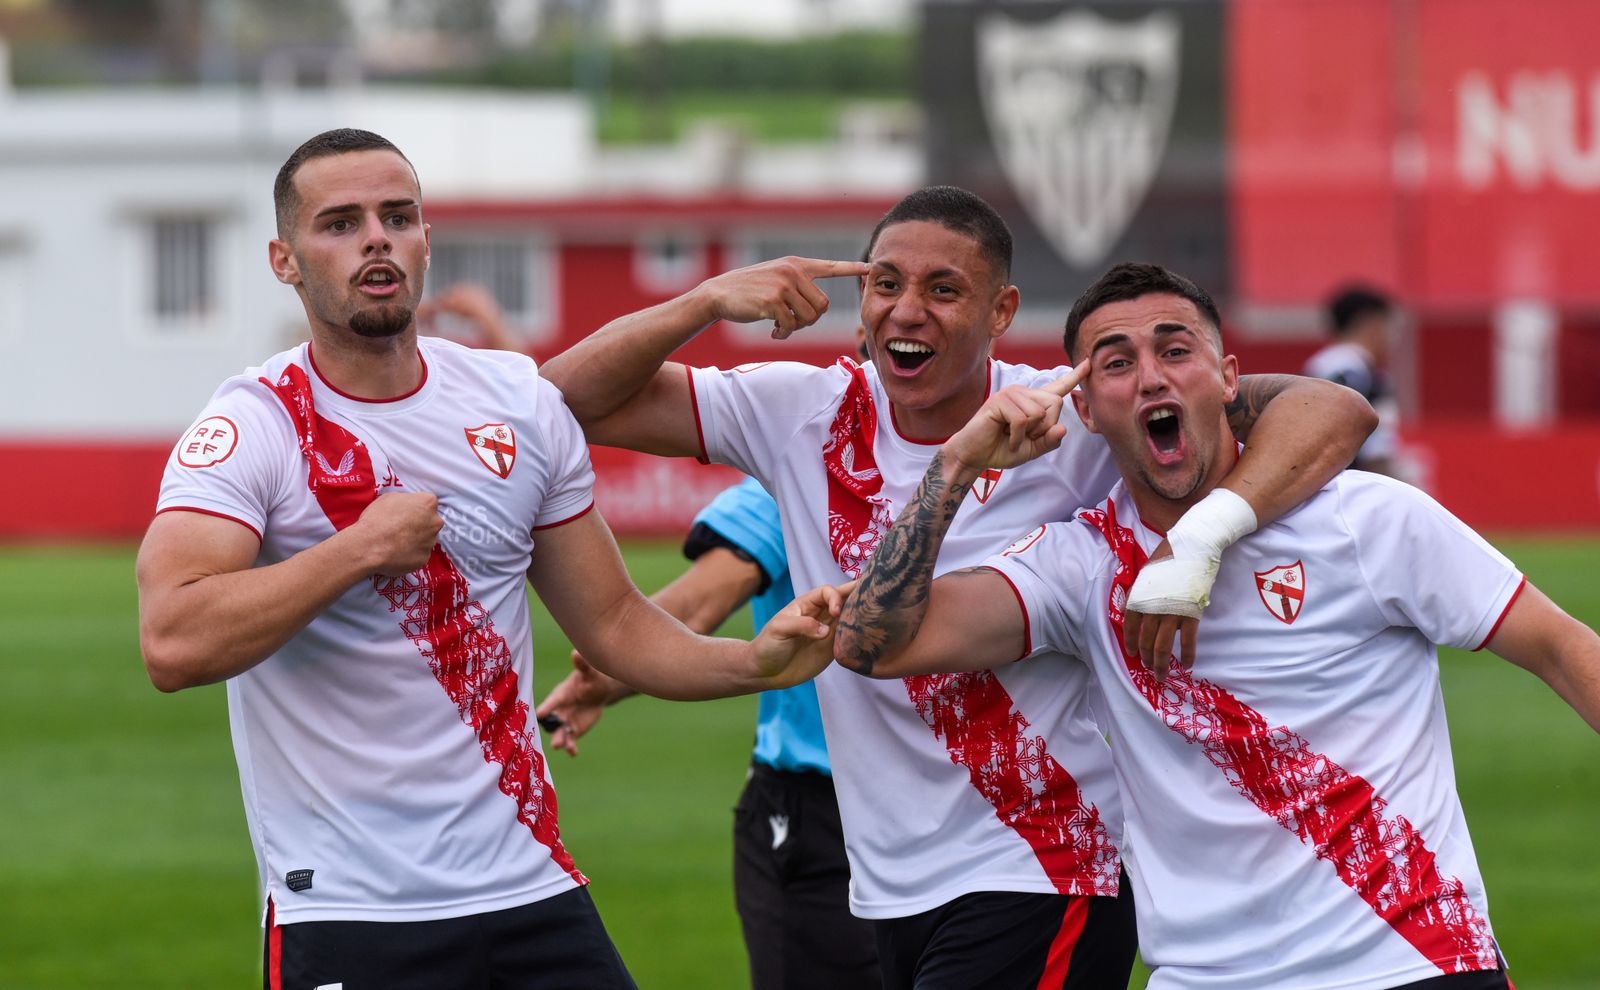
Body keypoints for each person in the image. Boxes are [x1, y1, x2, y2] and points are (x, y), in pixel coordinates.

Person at [538, 185, 1377, 988]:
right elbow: (562, 399)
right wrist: (707, 301)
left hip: (1047, 865)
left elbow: (1329, 409)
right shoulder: (802, 409)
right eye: (887, 284)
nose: (908, 311)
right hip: (890, 882)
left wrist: (1205, 532)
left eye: (945, 290)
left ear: (1001, 313)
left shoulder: (1065, 418)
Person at [133, 127, 850, 990]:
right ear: (285, 260)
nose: (376, 238)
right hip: (351, 910)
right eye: (341, 222)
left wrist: (753, 663)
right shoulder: (254, 424)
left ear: (426, 239)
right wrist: (358, 549)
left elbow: (617, 622)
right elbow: (173, 641)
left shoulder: (515, 400)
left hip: (529, 889)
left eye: (398, 216)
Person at [833, 261, 1600, 989]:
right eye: (1116, 362)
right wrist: (957, 464)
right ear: (1088, 411)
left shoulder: (1366, 520)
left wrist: (1202, 537)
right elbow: (878, 643)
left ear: (1230, 379)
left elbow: (1563, 648)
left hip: (1411, 964)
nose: (1153, 376)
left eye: (1176, 349)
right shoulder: (1080, 566)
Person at [538, 476, 879, 989]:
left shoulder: (982, 467)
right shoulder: (799, 463)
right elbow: (701, 600)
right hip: (818, 813)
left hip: (962, 801)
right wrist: (611, 675)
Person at [1306, 284, 1401, 475]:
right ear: (1370, 323)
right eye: (1388, 326)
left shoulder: (1319, 366)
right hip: (1349, 487)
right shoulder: (1359, 375)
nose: (1393, 337)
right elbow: (1375, 452)